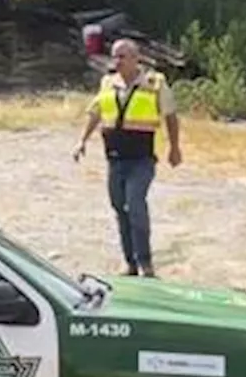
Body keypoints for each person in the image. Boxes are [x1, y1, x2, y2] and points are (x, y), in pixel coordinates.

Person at [73, 38, 182, 277]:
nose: (117, 61)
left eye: (122, 56)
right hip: (115, 159)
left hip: (141, 159)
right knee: (119, 208)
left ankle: (145, 262)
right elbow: (96, 113)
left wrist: (174, 147)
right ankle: (129, 262)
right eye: (114, 56)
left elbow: (171, 117)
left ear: (136, 58)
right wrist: (82, 140)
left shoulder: (154, 83)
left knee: (135, 205)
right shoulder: (108, 83)